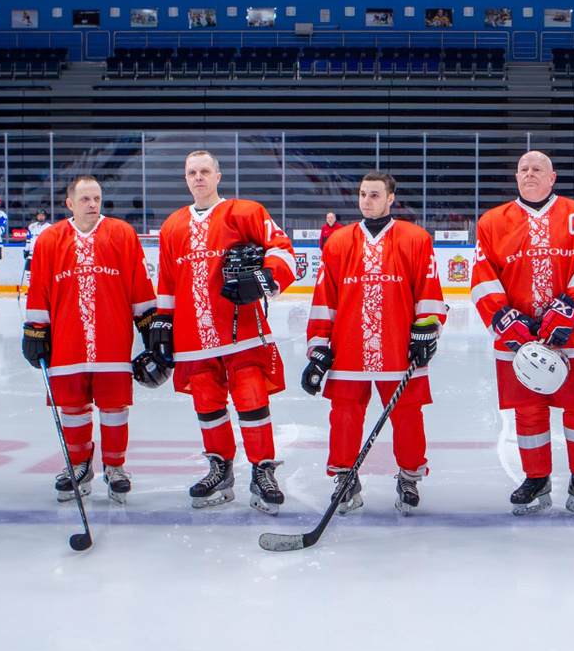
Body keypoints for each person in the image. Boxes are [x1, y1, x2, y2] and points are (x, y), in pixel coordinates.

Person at [153, 150, 297, 512]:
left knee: (251, 396)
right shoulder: (172, 226)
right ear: (185, 178)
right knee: (207, 403)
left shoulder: (244, 212)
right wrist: (162, 323)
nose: (198, 177)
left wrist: (264, 278)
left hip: (241, 332)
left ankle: (263, 469)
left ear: (218, 176)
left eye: (205, 171)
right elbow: (168, 282)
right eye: (192, 172)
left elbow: (283, 251)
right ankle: (220, 468)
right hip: (193, 337)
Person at [473, 150, 574, 519]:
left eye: (537, 169)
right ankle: (536, 478)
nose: (529, 173)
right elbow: (482, 277)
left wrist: (569, 311)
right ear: (516, 177)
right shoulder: (492, 221)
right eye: (523, 169)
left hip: (572, 337)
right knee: (528, 411)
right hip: (518, 339)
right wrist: (505, 320)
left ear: (552, 178)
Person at [302, 172, 447, 513]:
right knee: (344, 413)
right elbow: (325, 297)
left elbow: (428, 289)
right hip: (348, 345)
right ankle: (345, 476)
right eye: (363, 194)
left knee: (407, 413)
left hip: (399, 345)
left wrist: (426, 331)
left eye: (374, 195)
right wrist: (319, 346)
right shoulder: (338, 242)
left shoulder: (415, 239)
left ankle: (409, 475)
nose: (366, 201)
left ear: (391, 198)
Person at [23, 177, 157, 505]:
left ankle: (115, 467)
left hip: (113, 340)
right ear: (70, 203)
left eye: (96, 198)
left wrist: (151, 328)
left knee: (114, 407)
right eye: (84, 199)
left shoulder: (122, 233)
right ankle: (79, 466)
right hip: (66, 342)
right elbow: (39, 288)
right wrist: (35, 330)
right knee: (72, 407)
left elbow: (139, 284)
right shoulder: (50, 239)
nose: (92, 204)